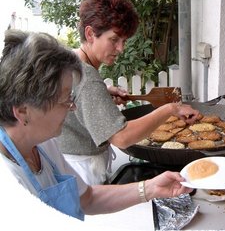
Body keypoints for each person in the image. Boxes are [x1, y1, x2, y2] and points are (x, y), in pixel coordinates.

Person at [0, 30, 193, 221]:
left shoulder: (43, 145)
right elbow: (121, 137)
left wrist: (150, 188)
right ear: (23, 111)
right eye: (65, 100)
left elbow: (87, 199)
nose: (73, 107)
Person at [56, 0, 199, 185]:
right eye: (114, 39)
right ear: (90, 34)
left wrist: (104, 93)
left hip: (66, 163)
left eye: (124, 41)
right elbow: (122, 137)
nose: (121, 49)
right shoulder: (87, 78)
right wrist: (171, 109)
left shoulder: (70, 60)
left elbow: (74, 98)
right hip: (82, 171)